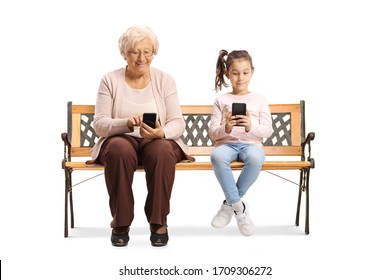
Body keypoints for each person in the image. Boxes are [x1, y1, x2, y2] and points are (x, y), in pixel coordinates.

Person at [87, 26, 194, 247]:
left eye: (147, 51)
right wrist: (125, 123)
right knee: (118, 149)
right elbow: (99, 124)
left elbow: (178, 122)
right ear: (124, 53)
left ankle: (158, 221)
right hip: (121, 139)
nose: (141, 57)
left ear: (154, 53)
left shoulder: (165, 80)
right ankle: (121, 222)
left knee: (163, 150)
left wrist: (161, 132)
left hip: (155, 139)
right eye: (135, 51)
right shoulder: (110, 80)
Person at [209, 50, 273, 236]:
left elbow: (267, 131)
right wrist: (226, 127)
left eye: (245, 72)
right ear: (227, 73)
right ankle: (240, 210)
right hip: (226, 145)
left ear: (252, 72)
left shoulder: (260, 100)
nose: (240, 77)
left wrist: (250, 126)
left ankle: (229, 204)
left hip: (252, 145)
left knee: (254, 158)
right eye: (235, 73)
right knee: (217, 156)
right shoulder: (221, 100)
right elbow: (213, 133)